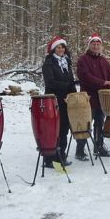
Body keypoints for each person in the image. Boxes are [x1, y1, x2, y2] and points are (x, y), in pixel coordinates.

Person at [77, 33, 110, 157]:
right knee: (85, 123)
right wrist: (103, 82)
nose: (96, 46)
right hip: (88, 97)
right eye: (93, 44)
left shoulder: (103, 60)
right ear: (89, 46)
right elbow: (85, 77)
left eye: (98, 44)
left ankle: (99, 146)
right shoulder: (83, 59)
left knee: (100, 123)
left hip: (102, 99)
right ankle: (80, 149)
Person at [42, 36, 76, 168]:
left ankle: (61, 154)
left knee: (64, 128)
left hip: (67, 100)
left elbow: (71, 81)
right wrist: (67, 85)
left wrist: (73, 92)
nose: (61, 49)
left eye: (62, 47)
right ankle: (50, 158)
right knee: (54, 129)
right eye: (58, 47)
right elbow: (50, 83)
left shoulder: (66, 61)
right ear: (53, 49)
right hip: (53, 100)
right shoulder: (49, 62)